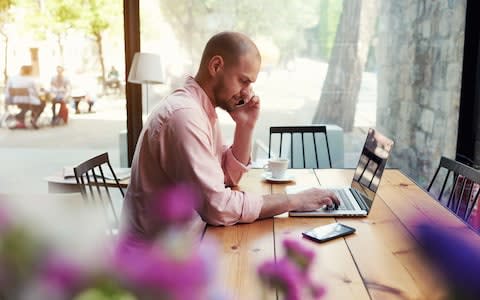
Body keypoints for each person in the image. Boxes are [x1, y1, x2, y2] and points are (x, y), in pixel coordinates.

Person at [121, 32, 339, 239]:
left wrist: (245, 126)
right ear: (216, 66)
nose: (247, 92)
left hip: (187, 243)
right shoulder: (185, 117)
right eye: (243, 81)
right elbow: (218, 207)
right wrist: (295, 200)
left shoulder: (199, 109)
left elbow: (226, 175)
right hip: (156, 264)